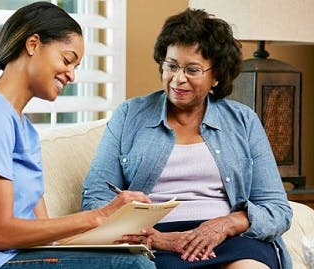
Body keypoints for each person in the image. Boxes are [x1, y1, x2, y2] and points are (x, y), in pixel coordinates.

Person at [0, 2, 156, 269]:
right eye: (67, 60)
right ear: (33, 44)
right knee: (133, 266)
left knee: (130, 257)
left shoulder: (25, 129)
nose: (72, 75)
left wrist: (114, 234)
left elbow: (45, 237)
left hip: (8, 257)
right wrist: (100, 215)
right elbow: (0, 234)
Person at [82, 8, 292, 269]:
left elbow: (277, 210)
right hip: (151, 242)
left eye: (192, 70)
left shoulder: (243, 121)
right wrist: (143, 234)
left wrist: (227, 224)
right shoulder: (129, 115)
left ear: (215, 76)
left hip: (227, 239)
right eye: (171, 66)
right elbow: (96, 197)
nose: (178, 79)